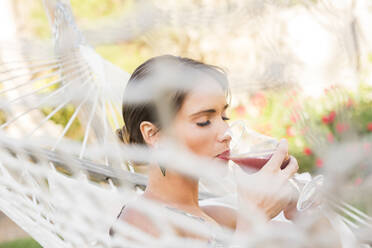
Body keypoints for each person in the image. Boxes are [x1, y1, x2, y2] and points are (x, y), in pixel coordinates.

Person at [114, 55, 299, 245]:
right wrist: (252, 222)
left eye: (224, 118)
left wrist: (300, 211)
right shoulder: (140, 222)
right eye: (204, 121)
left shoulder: (219, 217)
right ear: (153, 134)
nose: (227, 133)